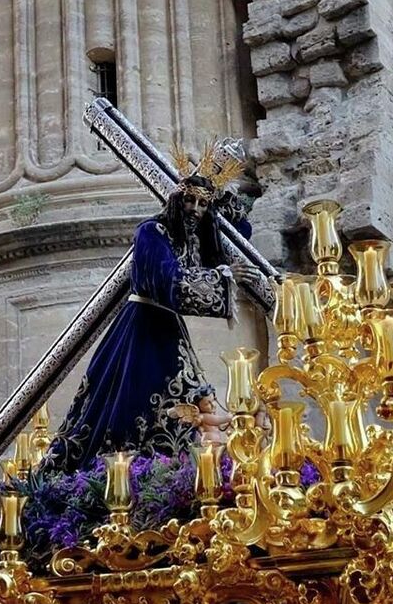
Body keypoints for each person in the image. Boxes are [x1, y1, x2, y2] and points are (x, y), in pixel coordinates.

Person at [43, 146, 255, 472]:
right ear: (176, 200)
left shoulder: (192, 241)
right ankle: (118, 472)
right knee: (127, 401)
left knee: (188, 399)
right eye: (189, 201)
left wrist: (231, 208)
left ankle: (175, 468)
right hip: (140, 327)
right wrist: (221, 278)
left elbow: (230, 246)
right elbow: (166, 282)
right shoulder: (151, 233)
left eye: (202, 204)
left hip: (168, 327)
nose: (195, 209)